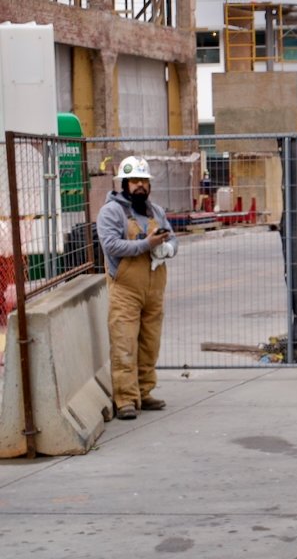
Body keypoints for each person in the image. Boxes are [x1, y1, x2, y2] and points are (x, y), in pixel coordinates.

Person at [97, 156, 177, 420]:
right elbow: (111, 245)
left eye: (144, 180)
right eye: (134, 181)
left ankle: (144, 391)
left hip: (154, 289)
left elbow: (173, 239)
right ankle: (126, 399)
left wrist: (168, 248)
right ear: (124, 184)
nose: (140, 185)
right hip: (126, 291)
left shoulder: (156, 211)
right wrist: (147, 245)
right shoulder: (111, 211)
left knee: (149, 343)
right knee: (124, 343)